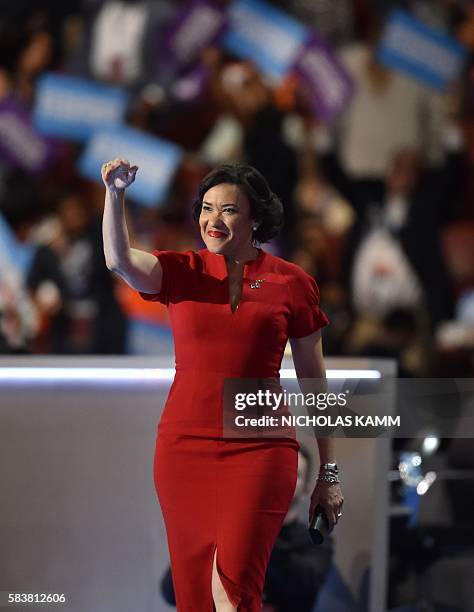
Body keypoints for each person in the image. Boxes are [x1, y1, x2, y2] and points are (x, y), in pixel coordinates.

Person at [101, 159, 344, 612]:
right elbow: (118, 260)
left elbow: (315, 382)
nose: (214, 220)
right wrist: (115, 195)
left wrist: (328, 474)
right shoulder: (180, 270)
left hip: (260, 449)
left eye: (229, 210)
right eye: (207, 208)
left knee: (233, 590)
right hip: (183, 448)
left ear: (256, 219)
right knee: (195, 595)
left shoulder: (293, 283)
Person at [160, 445, 333, 612]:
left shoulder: (315, 539)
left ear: (306, 491)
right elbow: (171, 592)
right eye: (277, 469)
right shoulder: (224, 530)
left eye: (294, 473)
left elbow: (303, 589)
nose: (282, 478)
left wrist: (255, 535)